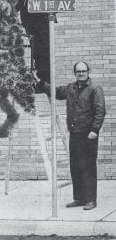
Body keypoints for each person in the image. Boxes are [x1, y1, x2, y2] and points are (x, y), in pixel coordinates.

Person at [33, 61, 106, 210]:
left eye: (83, 71)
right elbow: (55, 91)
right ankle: (79, 198)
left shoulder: (95, 89)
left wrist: (95, 130)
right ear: (75, 73)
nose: (81, 73)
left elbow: (100, 111)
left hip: (89, 135)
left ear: (88, 71)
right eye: (78, 71)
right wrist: (38, 81)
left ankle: (91, 200)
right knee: (75, 166)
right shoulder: (71, 88)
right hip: (74, 133)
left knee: (88, 167)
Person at [11, 0, 52, 82]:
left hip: (40, 21)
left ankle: (45, 81)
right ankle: (39, 80)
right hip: (29, 20)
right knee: (35, 50)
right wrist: (16, 9)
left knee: (42, 51)